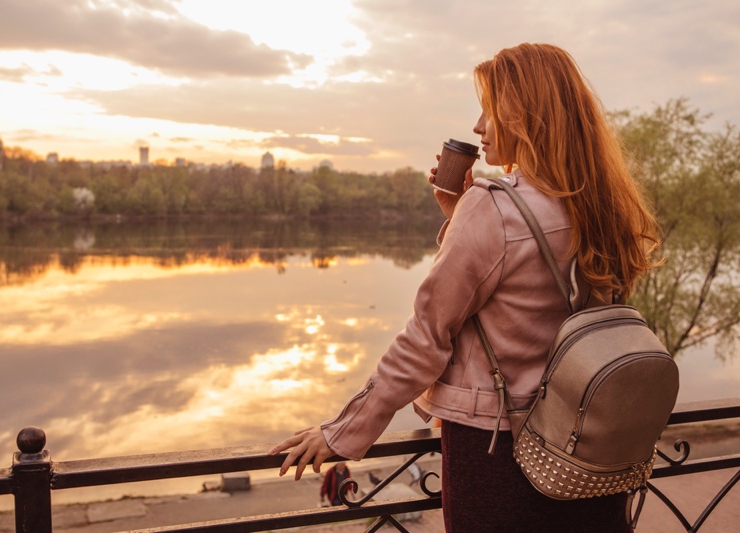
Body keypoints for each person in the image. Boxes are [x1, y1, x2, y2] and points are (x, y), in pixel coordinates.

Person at [269, 42, 660, 532]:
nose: (478, 127)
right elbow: (547, 308)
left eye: (490, 111)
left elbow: (426, 338)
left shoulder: (494, 208)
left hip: (499, 451)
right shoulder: (602, 208)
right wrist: (458, 220)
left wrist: (344, 432)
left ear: (525, 117)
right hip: (590, 450)